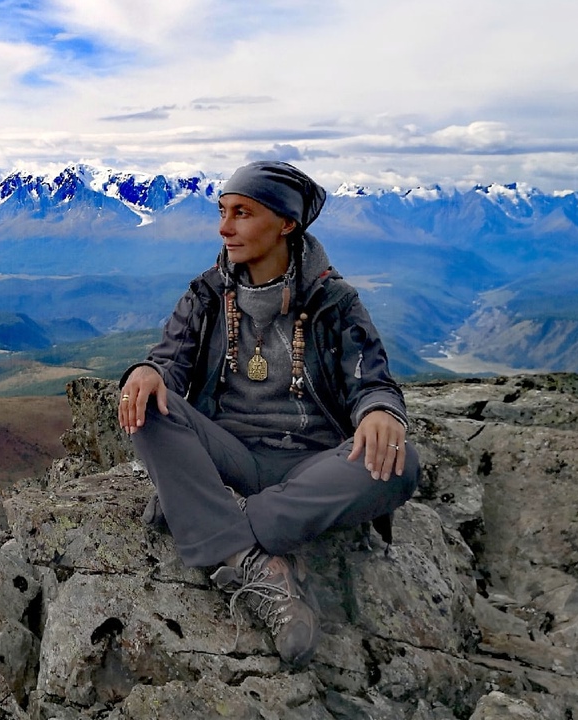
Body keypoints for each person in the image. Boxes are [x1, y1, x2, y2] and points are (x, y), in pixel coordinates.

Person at [117, 160, 420, 669]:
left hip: (314, 463)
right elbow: (169, 362)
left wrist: (379, 411)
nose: (224, 227)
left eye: (242, 213)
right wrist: (148, 371)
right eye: (222, 211)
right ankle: (257, 564)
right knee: (144, 403)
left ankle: (213, 519)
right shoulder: (207, 294)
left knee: (400, 461)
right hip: (230, 455)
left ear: (286, 223)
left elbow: (372, 380)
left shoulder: (334, 302)